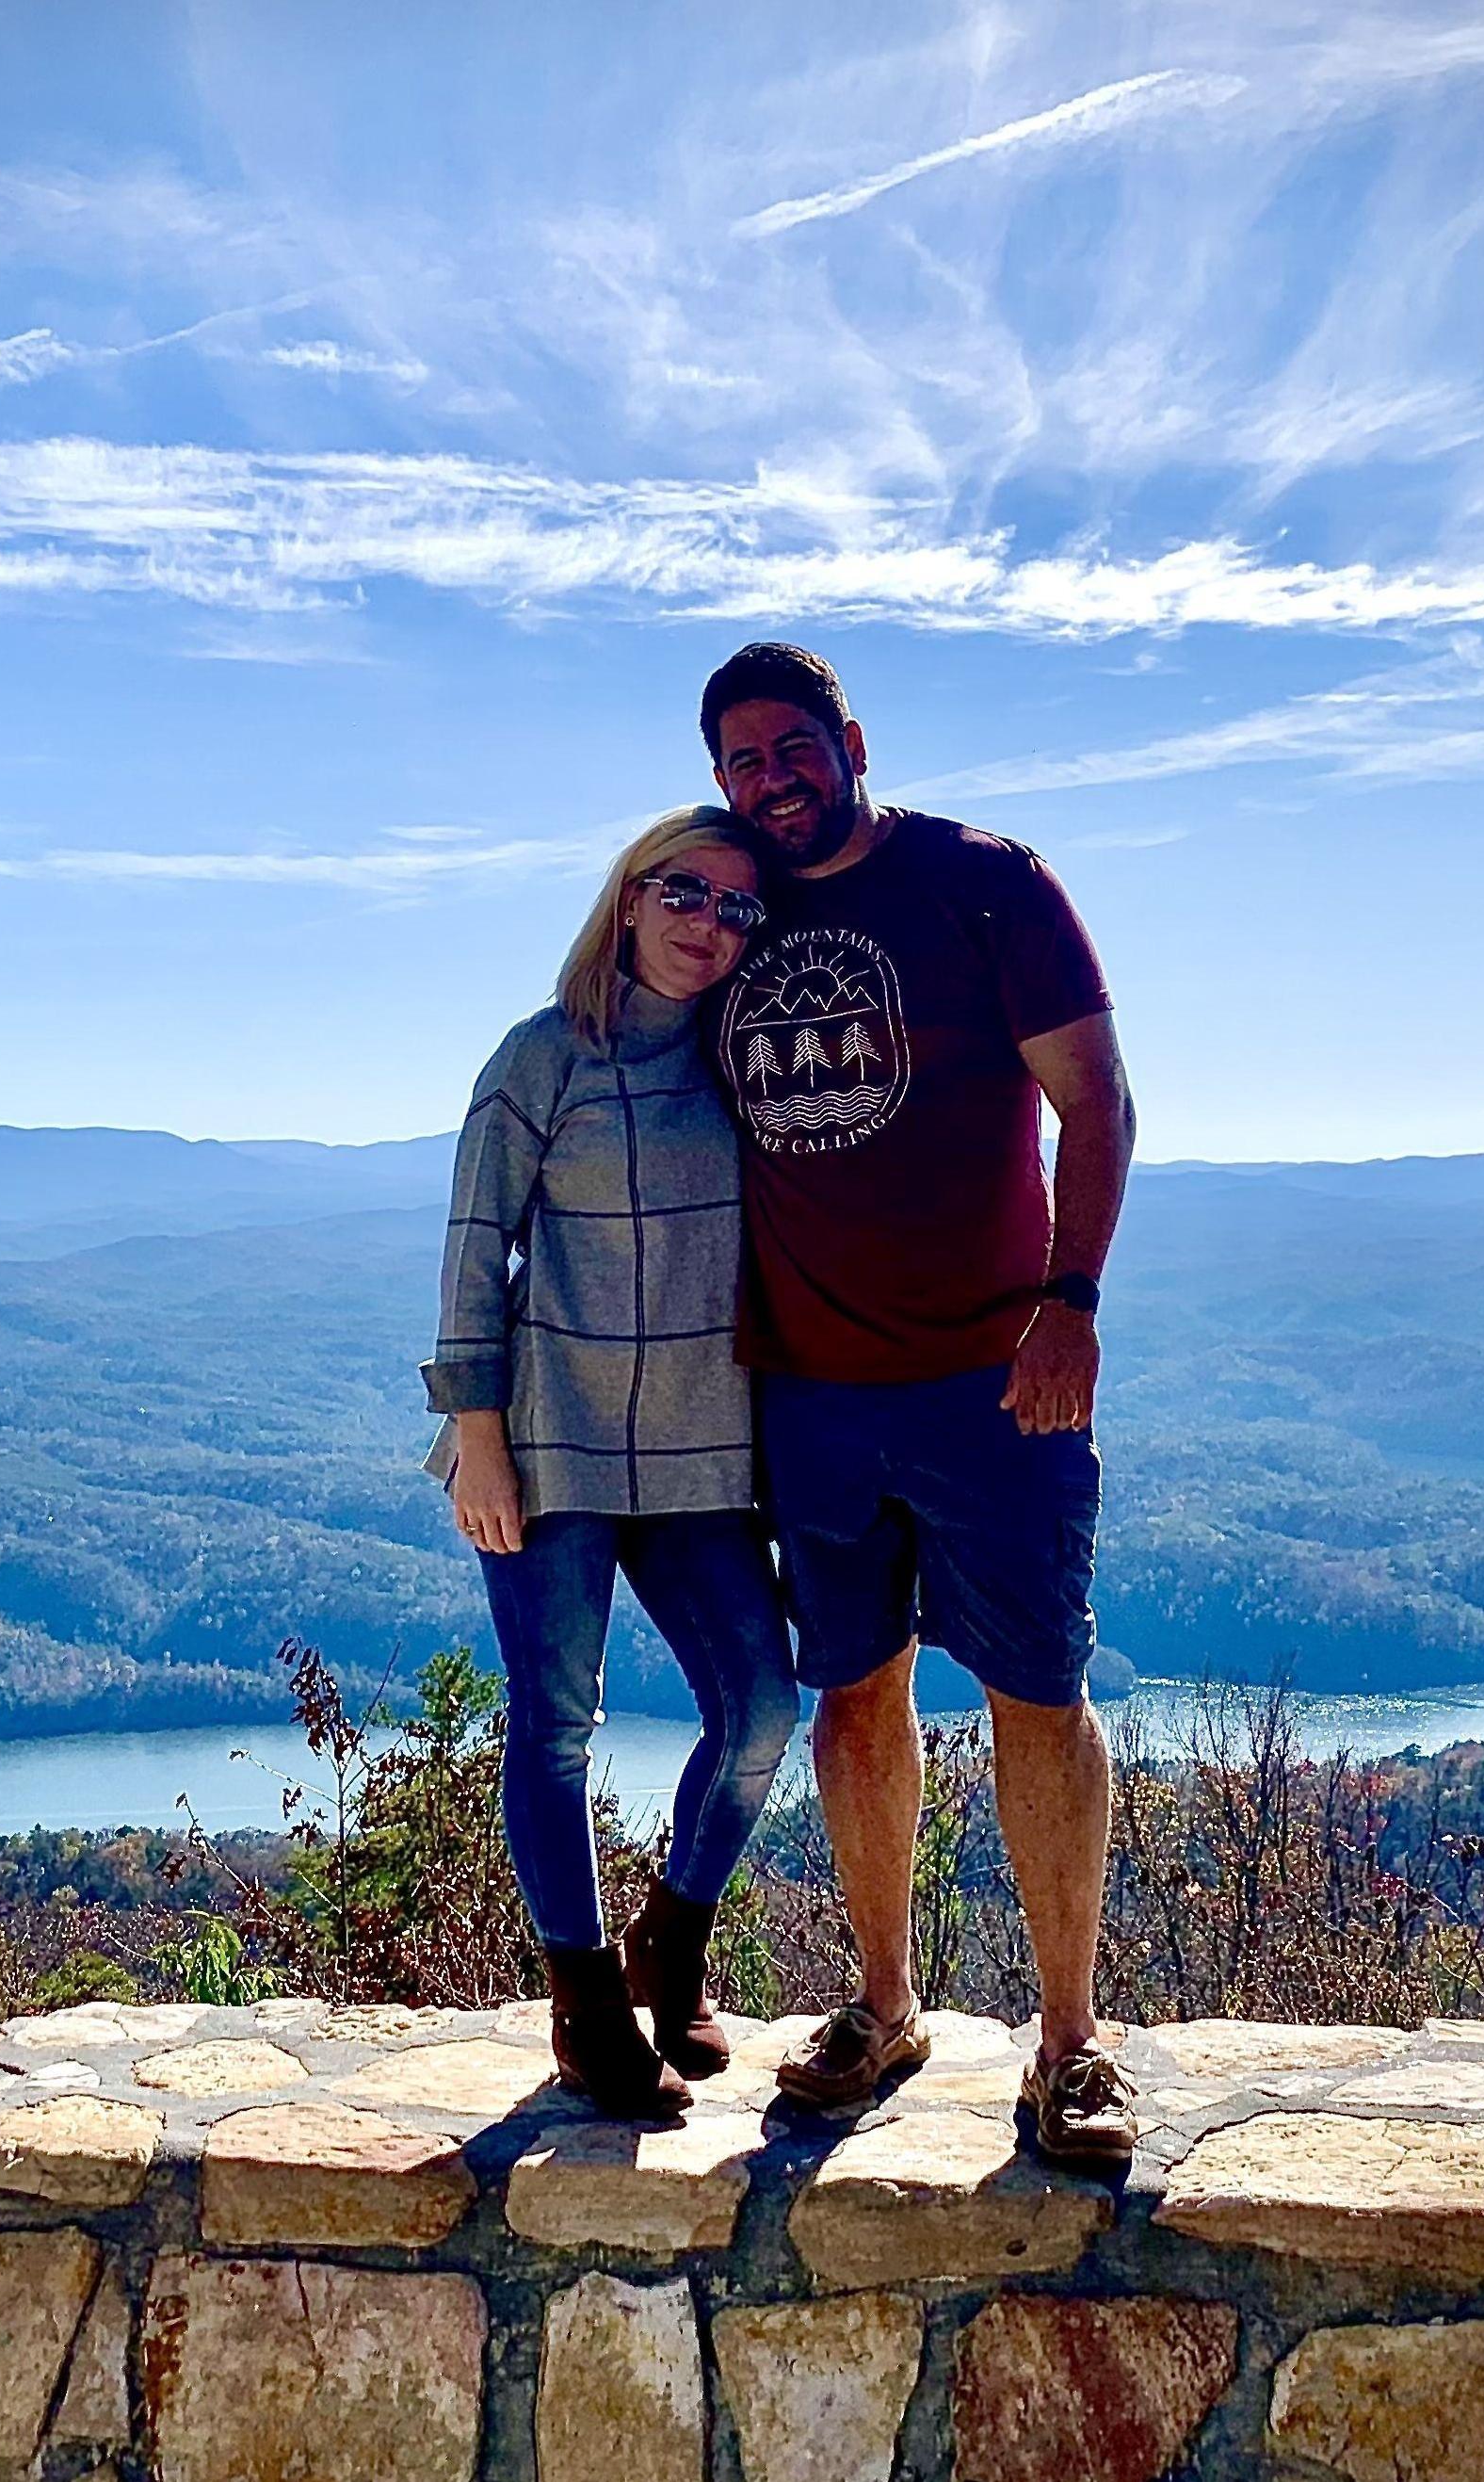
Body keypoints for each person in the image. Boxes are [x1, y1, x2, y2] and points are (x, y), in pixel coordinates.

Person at [700, 642, 1141, 2168]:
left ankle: (1073, 2044)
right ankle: (885, 2006)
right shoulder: (728, 912)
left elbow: (1098, 1098)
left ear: (851, 740)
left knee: (1036, 1692)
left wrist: (1070, 1306)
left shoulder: (985, 884)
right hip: (811, 1394)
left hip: (994, 1383)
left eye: (790, 747)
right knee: (853, 1699)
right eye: (741, 762)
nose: (770, 778)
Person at [423, 806, 798, 2119]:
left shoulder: (744, 1065)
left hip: (704, 1445)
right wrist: (478, 1439)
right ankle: (584, 2007)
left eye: (740, 906)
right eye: (685, 892)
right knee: (559, 1725)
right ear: (630, 898)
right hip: (552, 1439)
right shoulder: (540, 1059)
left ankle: (673, 1943)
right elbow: (474, 1251)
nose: (711, 923)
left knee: (762, 1712)